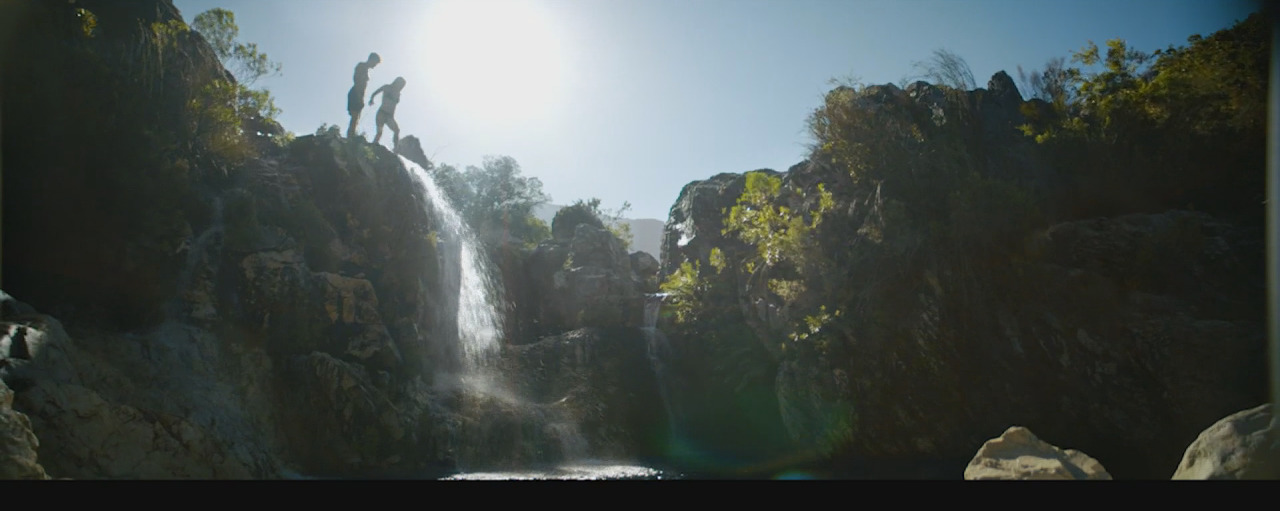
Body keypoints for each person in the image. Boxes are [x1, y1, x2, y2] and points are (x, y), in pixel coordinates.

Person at [347, 52, 381, 138]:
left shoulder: (365, 69)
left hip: (358, 94)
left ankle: (351, 136)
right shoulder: (361, 66)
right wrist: (359, 97)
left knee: (356, 118)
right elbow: (357, 81)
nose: (375, 65)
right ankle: (350, 138)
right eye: (375, 63)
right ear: (372, 60)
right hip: (355, 93)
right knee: (355, 118)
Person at [369, 76, 406, 148]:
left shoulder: (398, 94)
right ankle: (373, 146)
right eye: (400, 84)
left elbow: (394, 105)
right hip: (381, 113)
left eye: (402, 85)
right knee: (379, 133)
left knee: (397, 131)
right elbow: (376, 92)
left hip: (389, 116)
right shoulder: (387, 87)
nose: (400, 86)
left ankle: (395, 149)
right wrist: (372, 99)